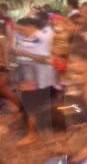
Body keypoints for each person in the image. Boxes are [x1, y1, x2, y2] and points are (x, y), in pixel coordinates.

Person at [13, 17, 56, 146]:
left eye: (21, 29)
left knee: (32, 106)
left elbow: (46, 59)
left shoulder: (43, 38)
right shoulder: (26, 37)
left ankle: (33, 134)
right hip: (28, 78)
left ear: (30, 26)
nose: (19, 32)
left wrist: (25, 54)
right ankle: (38, 129)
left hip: (39, 79)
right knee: (32, 105)